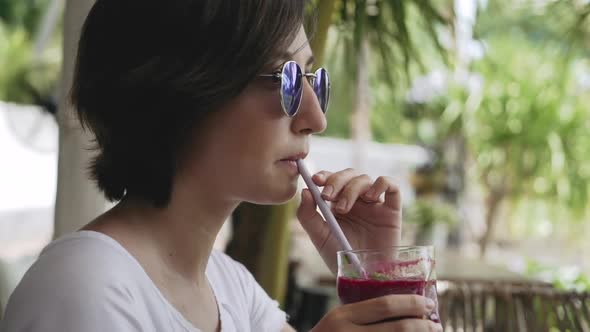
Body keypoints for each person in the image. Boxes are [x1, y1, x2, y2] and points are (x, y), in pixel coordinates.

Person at [0, 1, 442, 331]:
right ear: (186, 89)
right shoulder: (84, 289)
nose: (316, 119)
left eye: (312, 80)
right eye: (286, 80)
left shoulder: (232, 289)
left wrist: (376, 272)